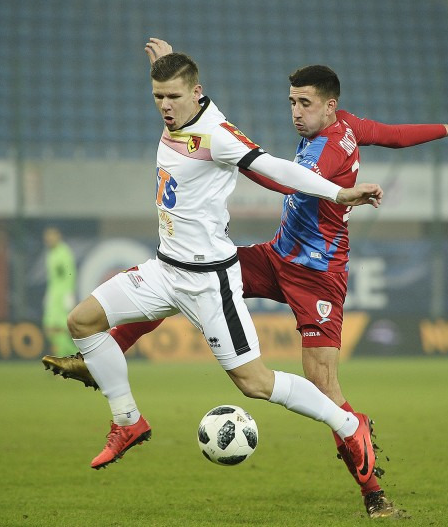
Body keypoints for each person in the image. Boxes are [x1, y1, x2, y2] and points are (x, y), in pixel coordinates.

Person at [43, 39, 448, 518]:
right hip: (276, 256)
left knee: (322, 385)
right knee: (178, 279)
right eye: (292, 102)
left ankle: (373, 491)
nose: (296, 113)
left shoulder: (322, 152)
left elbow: (278, 174)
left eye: (305, 104)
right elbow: (392, 134)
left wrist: (338, 193)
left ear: (330, 105)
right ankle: (105, 362)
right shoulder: (346, 125)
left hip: (318, 276)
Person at [59, 37, 385, 491]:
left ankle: (349, 426)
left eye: (173, 96)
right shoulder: (186, 111)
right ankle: (128, 421)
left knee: (255, 383)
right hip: (164, 269)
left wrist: (339, 192)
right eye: (158, 97)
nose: (165, 106)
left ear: (196, 93)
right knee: (82, 321)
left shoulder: (217, 136)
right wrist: (168, 65)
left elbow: (277, 168)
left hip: (208, 281)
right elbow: (179, 91)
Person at [42, 226, 78, 356]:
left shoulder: (64, 253)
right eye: (47, 237)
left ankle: (73, 358)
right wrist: (49, 295)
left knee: (60, 329)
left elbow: (70, 274)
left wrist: (69, 294)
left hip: (62, 297)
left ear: (58, 236)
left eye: (51, 236)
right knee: (50, 330)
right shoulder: (51, 254)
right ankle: (73, 358)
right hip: (53, 296)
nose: (49, 239)